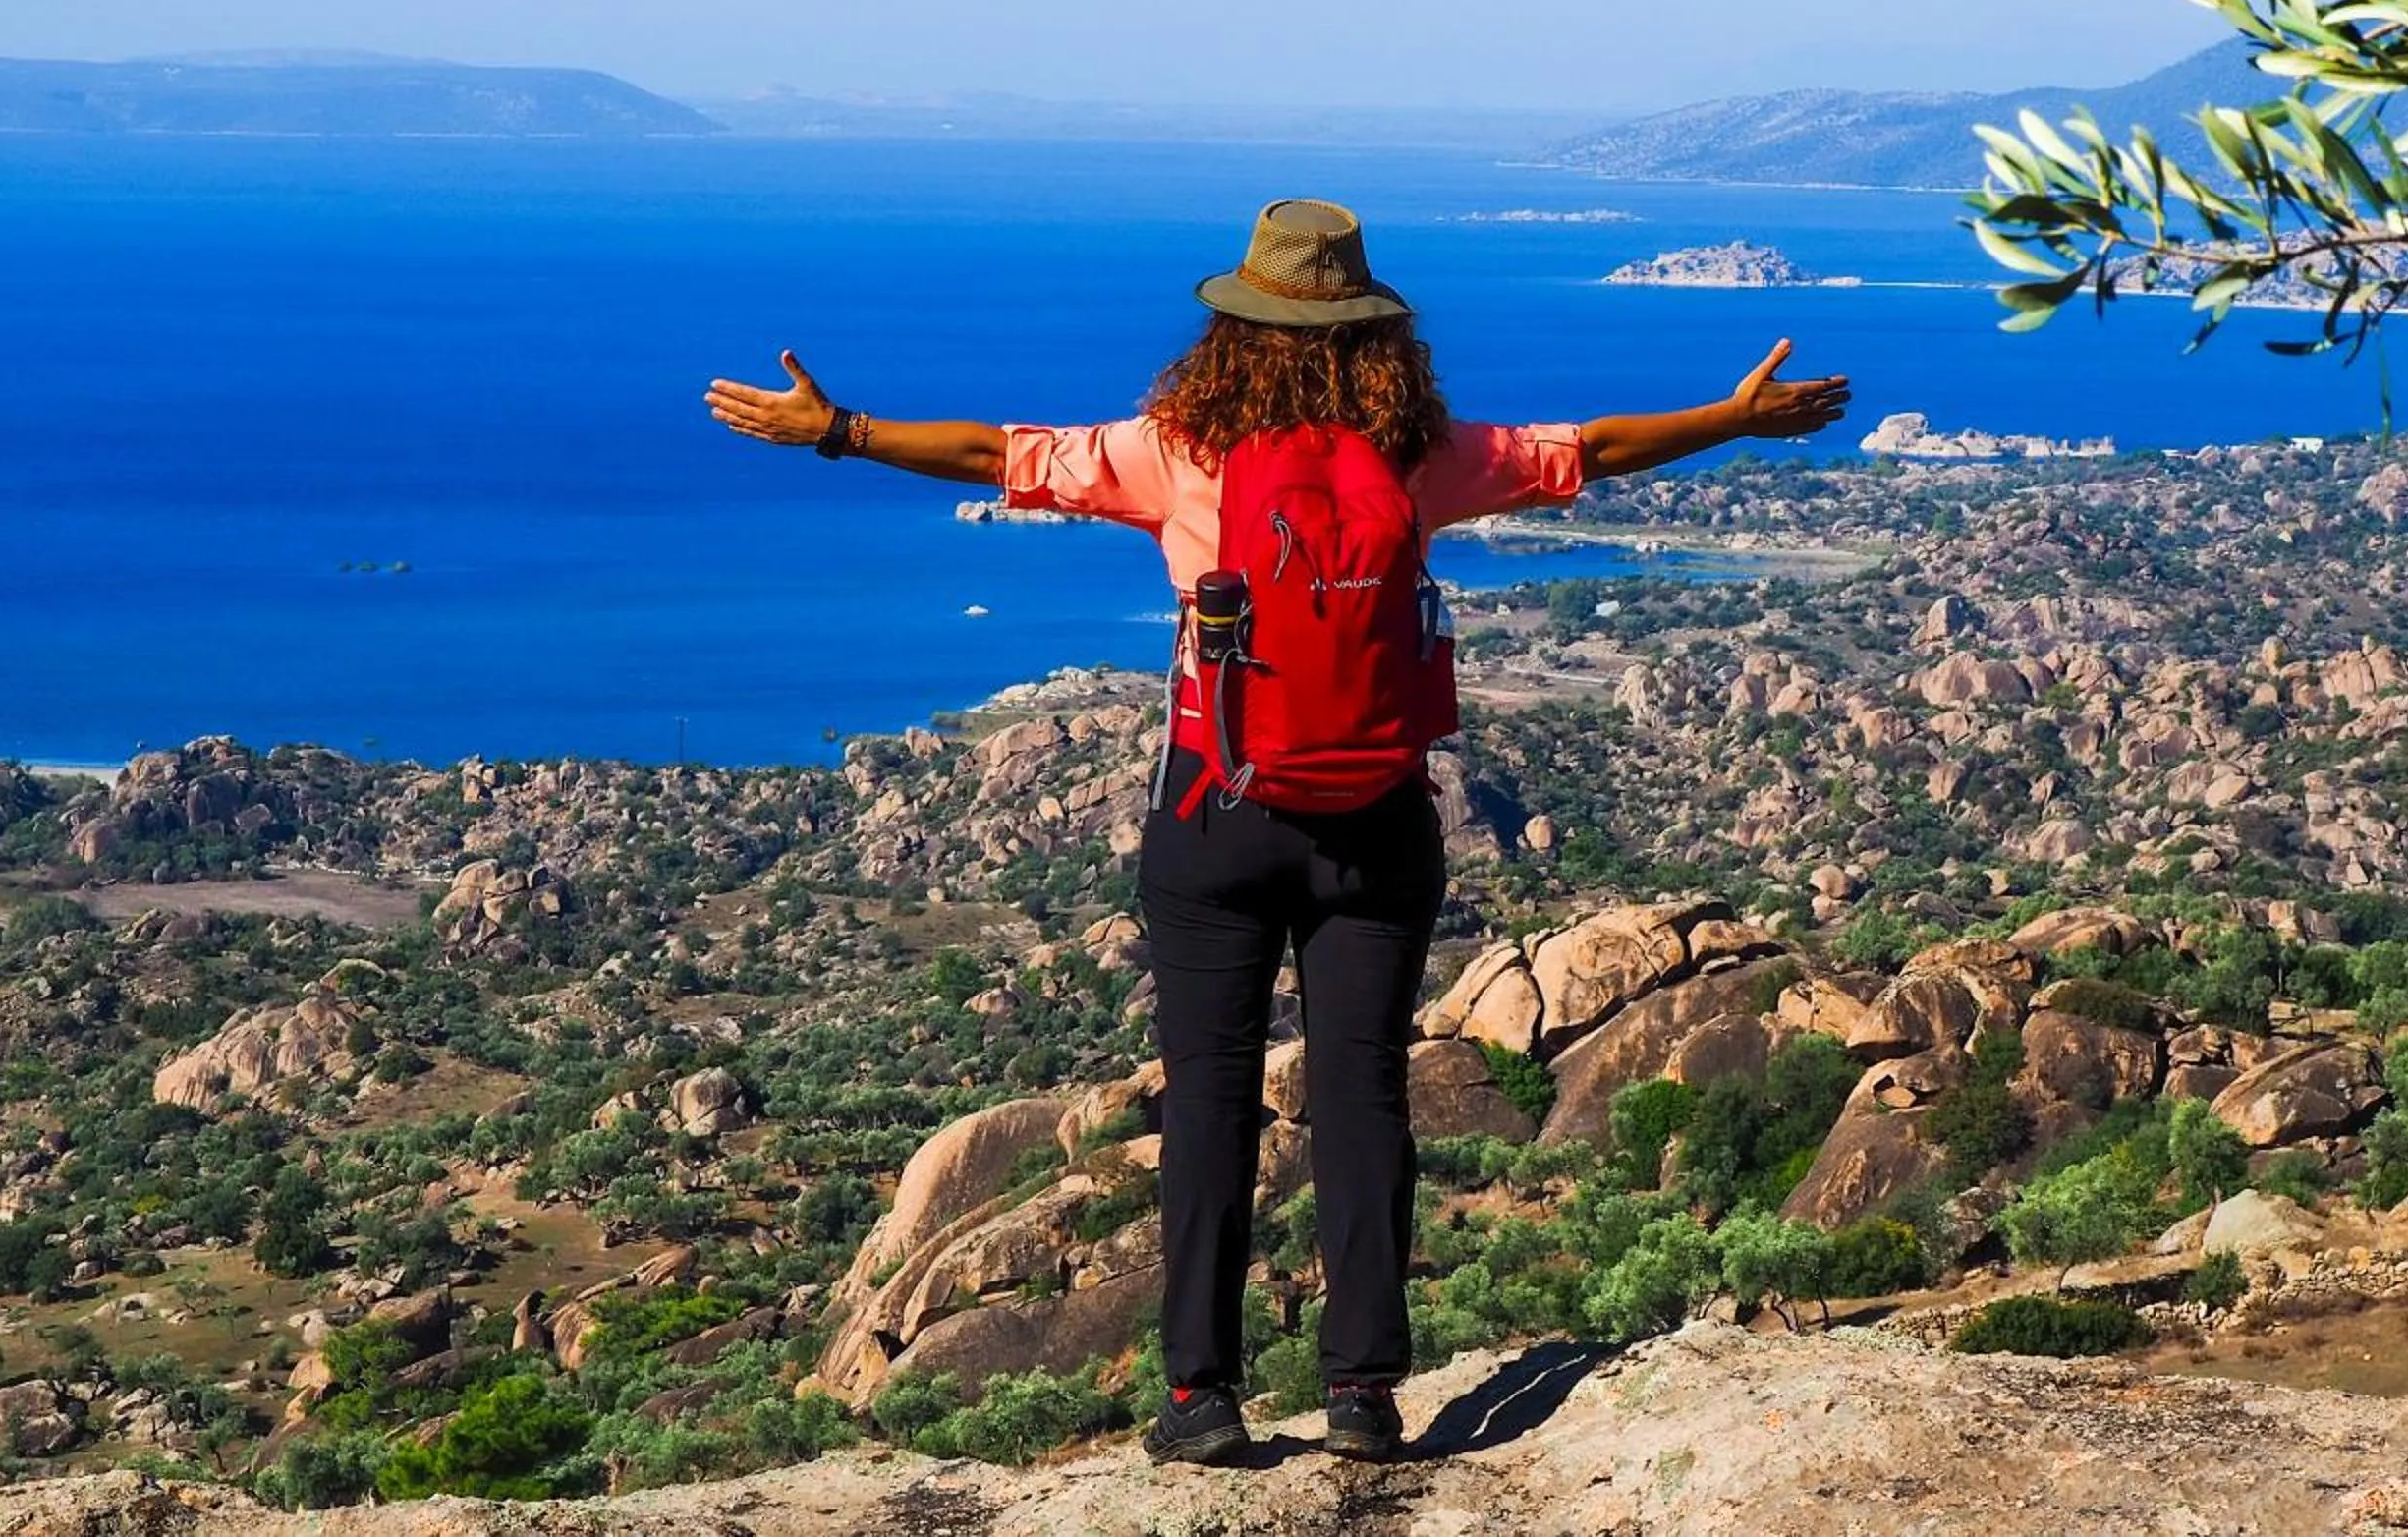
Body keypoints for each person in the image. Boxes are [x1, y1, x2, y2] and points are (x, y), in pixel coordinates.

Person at [707, 198, 1849, 1464]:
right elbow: (1588, 447)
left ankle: (1200, 1397)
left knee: (1211, 1103)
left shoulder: (1175, 452)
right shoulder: (1421, 456)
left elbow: (999, 455)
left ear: (1231, 331)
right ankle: (1363, 1392)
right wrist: (1733, 419)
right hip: (1377, 822)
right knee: (1362, 1098)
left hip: (1215, 815)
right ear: (1376, 337)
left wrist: (841, 431)